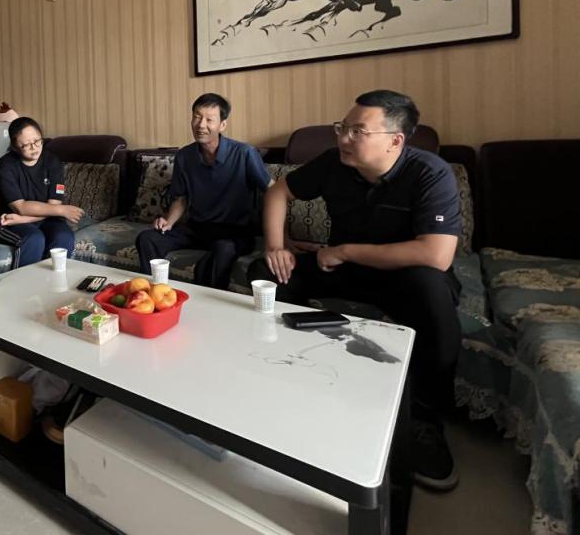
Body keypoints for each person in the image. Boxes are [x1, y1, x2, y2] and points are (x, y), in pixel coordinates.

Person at [249, 89, 463, 492]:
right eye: (342, 127)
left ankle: (425, 423)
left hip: (404, 275)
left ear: (394, 140)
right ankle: (291, 375)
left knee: (434, 294)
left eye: (357, 131)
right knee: (268, 273)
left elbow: (436, 254)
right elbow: (278, 191)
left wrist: (345, 250)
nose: (343, 138)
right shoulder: (334, 162)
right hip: (344, 269)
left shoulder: (430, 173)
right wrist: (277, 246)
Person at [135, 93, 271, 290]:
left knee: (223, 250)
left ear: (222, 125)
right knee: (147, 238)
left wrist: (280, 236)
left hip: (235, 232)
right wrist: (168, 221)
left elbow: (272, 191)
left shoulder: (244, 153)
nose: (201, 125)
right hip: (198, 228)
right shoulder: (185, 156)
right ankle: (154, 293)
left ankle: (209, 302)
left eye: (209, 120)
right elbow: (181, 198)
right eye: (197, 117)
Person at [0, 117, 83, 268]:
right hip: (9, 222)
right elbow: (21, 207)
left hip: (24, 219)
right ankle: (24, 282)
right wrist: (62, 210)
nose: (34, 147)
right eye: (26, 145)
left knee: (64, 236)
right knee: (34, 239)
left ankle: (56, 280)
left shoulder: (52, 162)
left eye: (37, 141)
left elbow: (53, 205)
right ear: (14, 147)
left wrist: (22, 219)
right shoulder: (4, 166)